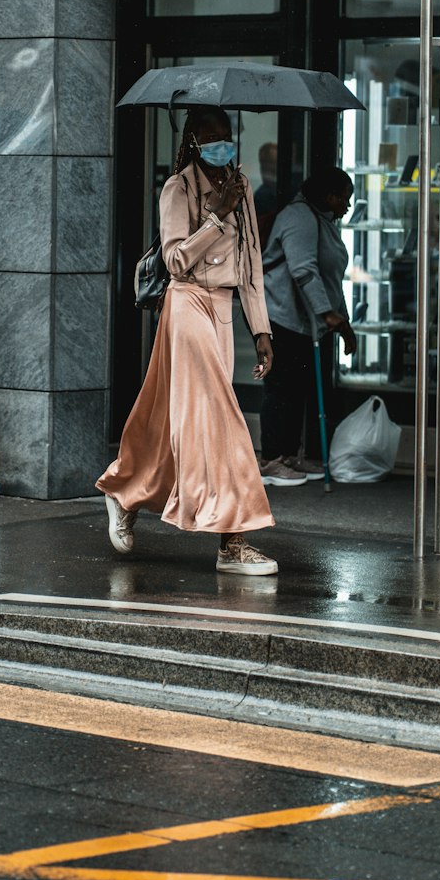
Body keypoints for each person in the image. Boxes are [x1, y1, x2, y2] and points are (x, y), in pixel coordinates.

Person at [97, 106, 279, 576]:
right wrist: (216, 216)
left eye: (228, 136)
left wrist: (260, 329)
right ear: (195, 143)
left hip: (221, 309)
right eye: (213, 138)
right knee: (219, 419)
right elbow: (176, 260)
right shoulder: (177, 188)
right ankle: (232, 541)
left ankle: (125, 491)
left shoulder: (241, 187)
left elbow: (252, 264)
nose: (223, 145)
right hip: (186, 304)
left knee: (173, 419)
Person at [258, 166, 357, 484]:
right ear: (329, 196)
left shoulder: (324, 222)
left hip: (302, 319)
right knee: (280, 386)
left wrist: (342, 322)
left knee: (296, 388)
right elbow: (304, 270)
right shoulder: (299, 217)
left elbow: (330, 277)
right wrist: (328, 314)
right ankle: (271, 459)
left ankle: (288, 455)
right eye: (345, 198)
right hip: (279, 314)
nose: (347, 206)